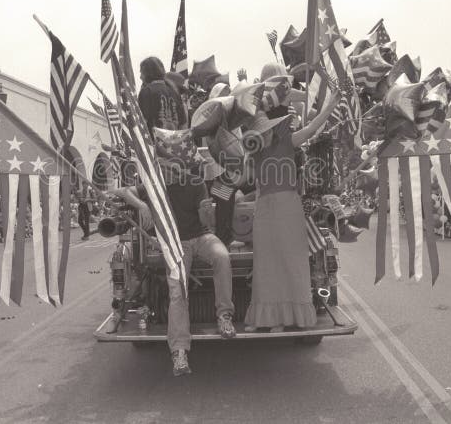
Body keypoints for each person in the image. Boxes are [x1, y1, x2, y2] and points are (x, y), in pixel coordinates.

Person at [109, 162, 236, 377]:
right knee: (178, 291)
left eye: (173, 167)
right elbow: (122, 190)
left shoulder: (195, 183)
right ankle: (179, 351)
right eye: (164, 166)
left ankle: (224, 316)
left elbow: (207, 222)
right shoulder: (153, 184)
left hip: (201, 237)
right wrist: (142, 205)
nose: (169, 171)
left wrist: (207, 212)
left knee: (222, 257)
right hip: (175, 244)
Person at [244, 69, 339, 332]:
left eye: (267, 127)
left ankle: (288, 319)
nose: (264, 130)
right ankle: (268, 318)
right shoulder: (253, 148)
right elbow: (246, 174)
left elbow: (310, 128)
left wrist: (330, 104)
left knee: (291, 261)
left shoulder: (287, 137)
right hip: (265, 206)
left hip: (287, 204)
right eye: (260, 127)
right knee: (265, 263)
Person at [137, 56, 186, 133]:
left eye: (141, 73)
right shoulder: (174, 92)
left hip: (154, 142)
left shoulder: (146, 91)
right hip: (175, 141)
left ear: (148, 73)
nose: (140, 77)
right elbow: (183, 123)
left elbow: (142, 122)